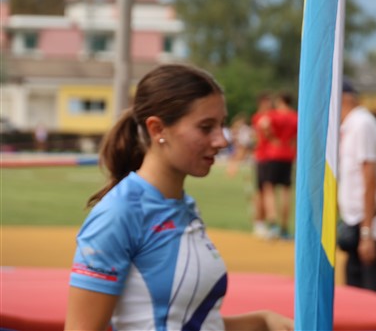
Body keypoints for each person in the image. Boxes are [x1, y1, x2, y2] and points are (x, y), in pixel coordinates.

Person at [65, 64, 293, 331]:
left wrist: (263, 321)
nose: (221, 141)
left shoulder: (184, 206)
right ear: (157, 129)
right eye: (206, 127)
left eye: (221, 125)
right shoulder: (119, 213)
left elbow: (187, 322)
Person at [337, 77, 376, 298]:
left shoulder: (361, 125)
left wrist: (367, 233)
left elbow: (370, 178)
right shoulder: (349, 126)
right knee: (357, 298)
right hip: (358, 223)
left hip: (374, 225)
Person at [262, 91, 298, 240]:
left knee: (269, 189)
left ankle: (273, 224)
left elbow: (263, 124)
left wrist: (272, 138)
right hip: (288, 155)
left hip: (274, 153)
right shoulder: (295, 116)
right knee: (286, 192)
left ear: (281, 101)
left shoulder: (273, 114)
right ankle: (284, 228)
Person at [251, 92, 274, 238]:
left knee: (265, 190)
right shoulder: (260, 118)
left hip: (269, 158)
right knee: (263, 190)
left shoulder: (270, 117)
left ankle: (261, 223)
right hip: (263, 157)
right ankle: (260, 222)